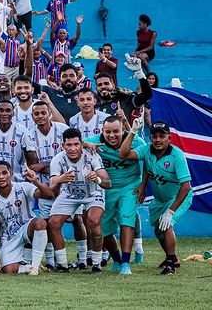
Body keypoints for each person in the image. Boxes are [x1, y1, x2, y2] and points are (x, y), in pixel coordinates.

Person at [119, 118, 192, 275]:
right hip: (160, 199)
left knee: (167, 224)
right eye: (154, 136)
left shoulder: (177, 155)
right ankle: (172, 258)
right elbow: (124, 154)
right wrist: (132, 131)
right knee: (158, 231)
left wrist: (171, 211)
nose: (158, 140)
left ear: (169, 138)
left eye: (162, 136)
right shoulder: (147, 149)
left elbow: (186, 187)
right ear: (150, 137)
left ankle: (171, 265)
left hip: (179, 197)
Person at [84, 115, 144, 275]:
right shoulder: (95, 141)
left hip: (129, 186)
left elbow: (149, 161)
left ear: (123, 130)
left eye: (116, 132)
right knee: (105, 227)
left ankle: (126, 263)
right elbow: (73, 143)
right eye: (108, 132)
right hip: (105, 188)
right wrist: (86, 143)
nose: (112, 136)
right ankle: (117, 260)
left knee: (126, 220)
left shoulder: (137, 141)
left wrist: (143, 185)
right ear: (102, 131)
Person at [47, 128, 112, 273]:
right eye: (68, 145)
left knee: (93, 221)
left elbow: (108, 183)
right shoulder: (58, 159)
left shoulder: (92, 156)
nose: (72, 148)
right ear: (63, 146)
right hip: (69, 194)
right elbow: (51, 189)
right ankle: (63, 265)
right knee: (53, 223)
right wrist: (59, 179)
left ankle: (96, 263)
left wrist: (98, 178)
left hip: (92, 192)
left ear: (82, 144)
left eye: (76, 144)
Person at [0, 161, 54, 275]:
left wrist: (35, 181)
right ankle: (29, 267)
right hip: (9, 236)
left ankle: (35, 268)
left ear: (11, 174)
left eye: (4, 173)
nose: (1, 177)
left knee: (40, 222)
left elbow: (49, 195)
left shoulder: (23, 187)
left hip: (28, 228)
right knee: (8, 271)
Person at [27, 100, 69, 268]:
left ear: (49, 113)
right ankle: (52, 261)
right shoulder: (29, 135)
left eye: (43, 113)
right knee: (47, 222)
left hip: (68, 186)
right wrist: (53, 168)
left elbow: (69, 161)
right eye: (36, 114)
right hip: (44, 187)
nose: (40, 116)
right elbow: (33, 166)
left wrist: (45, 166)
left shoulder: (62, 130)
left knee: (78, 219)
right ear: (32, 116)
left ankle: (84, 259)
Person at [0, 100, 38, 179]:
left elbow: (31, 159)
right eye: (1, 110)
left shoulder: (23, 131)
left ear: (13, 113)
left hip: (17, 178)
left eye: (8, 110)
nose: (4, 114)